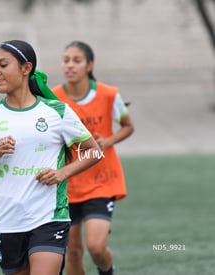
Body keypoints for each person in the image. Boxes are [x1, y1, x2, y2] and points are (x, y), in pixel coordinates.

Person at [0, 40, 103, 275]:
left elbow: (94, 151)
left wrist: (62, 173)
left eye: (3, 65)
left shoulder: (57, 111)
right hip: (6, 222)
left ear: (26, 68)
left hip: (49, 218)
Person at [51, 41, 134, 275]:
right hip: (69, 184)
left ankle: (108, 270)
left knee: (97, 248)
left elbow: (128, 126)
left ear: (89, 65)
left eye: (76, 60)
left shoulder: (109, 94)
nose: (70, 65)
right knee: (73, 252)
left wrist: (108, 141)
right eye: (66, 60)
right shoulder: (53, 99)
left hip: (101, 181)